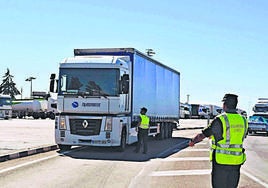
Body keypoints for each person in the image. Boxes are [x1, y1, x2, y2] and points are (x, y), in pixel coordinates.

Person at [189, 94, 248, 188]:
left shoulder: (221, 119)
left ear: (224, 105)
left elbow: (203, 135)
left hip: (221, 162)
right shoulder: (243, 120)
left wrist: (193, 141)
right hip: (236, 162)